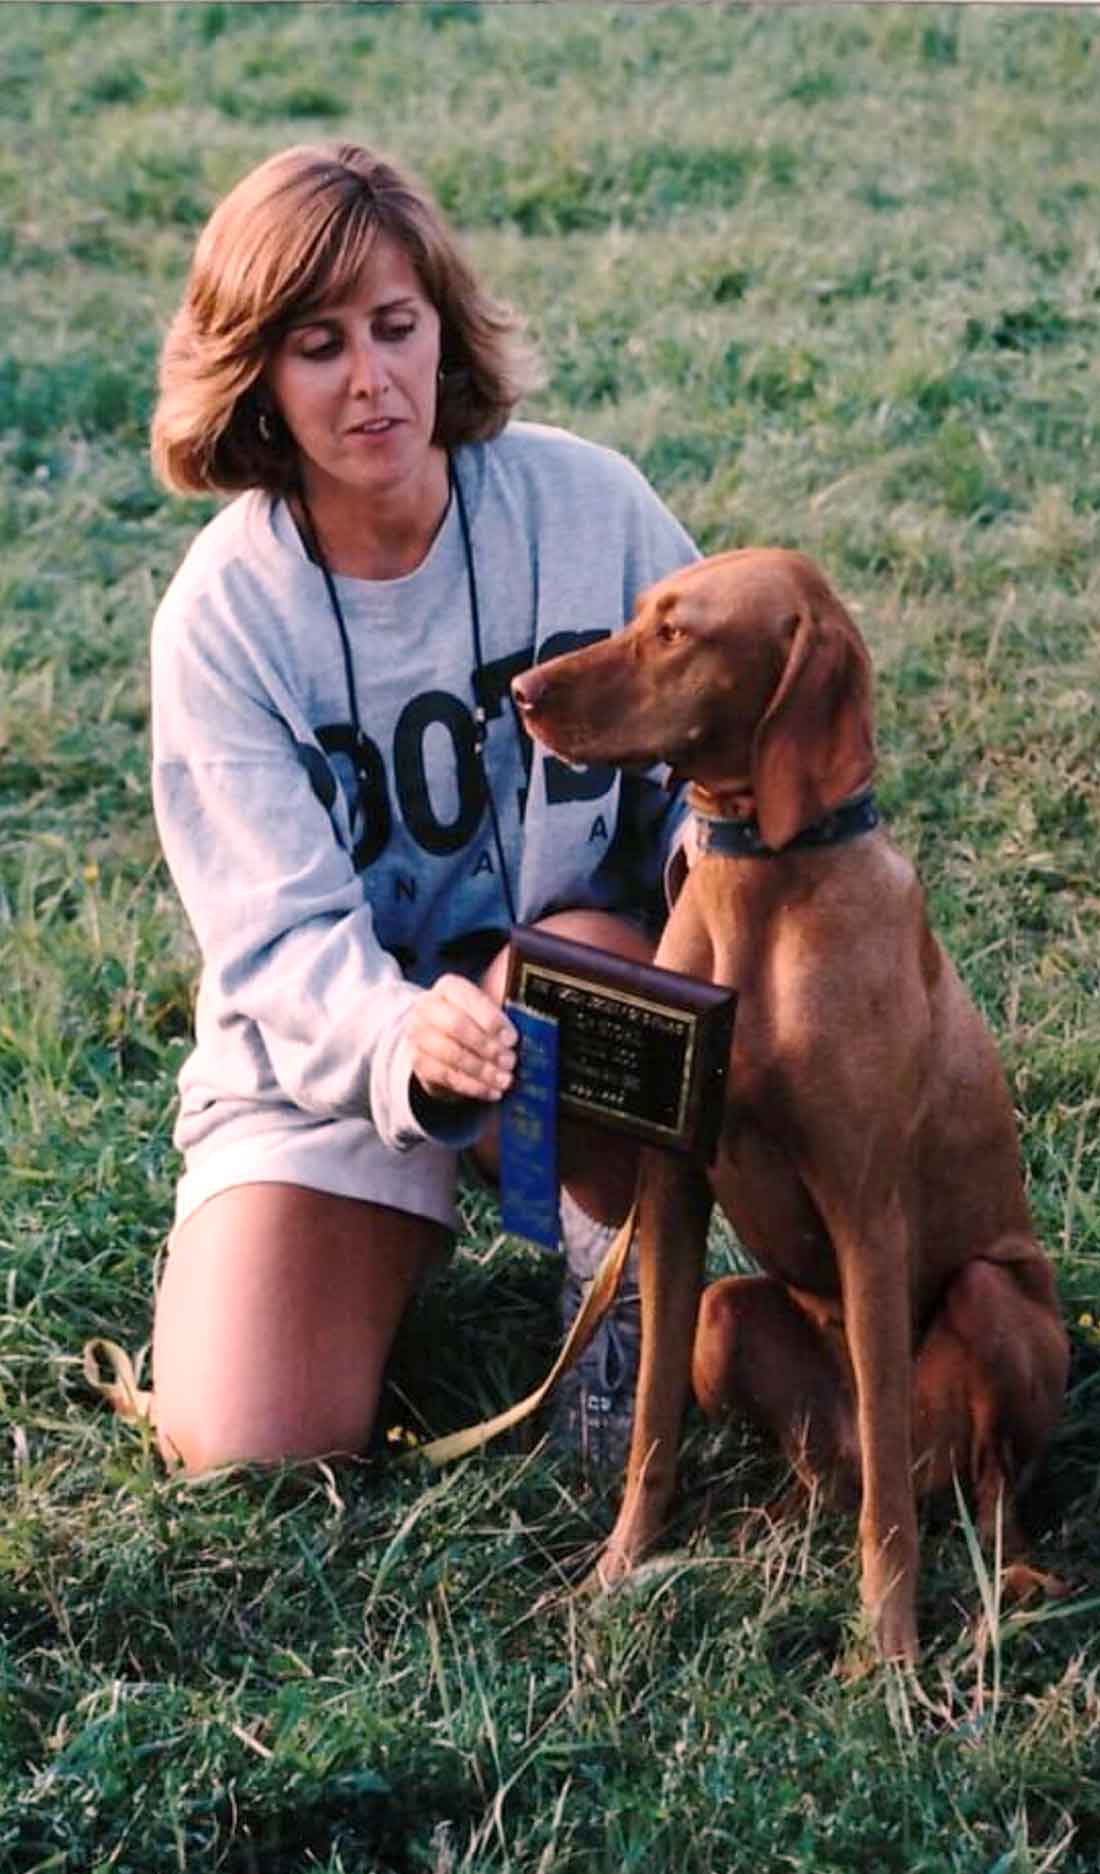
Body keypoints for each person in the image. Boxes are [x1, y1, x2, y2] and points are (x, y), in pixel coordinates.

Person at [146, 141, 698, 1477]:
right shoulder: (224, 618)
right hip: (341, 1059)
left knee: (587, 971)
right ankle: (365, 1227)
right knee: (249, 1443)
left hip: (569, 998)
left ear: (443, 328)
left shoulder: (588, 504)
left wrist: (701, 866)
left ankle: (609, 1278)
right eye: (318, 344)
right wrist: (406, 1037)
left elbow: (712, 754)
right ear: (258, 378)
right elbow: (275, 945)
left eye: (396, 327)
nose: (372, 377)